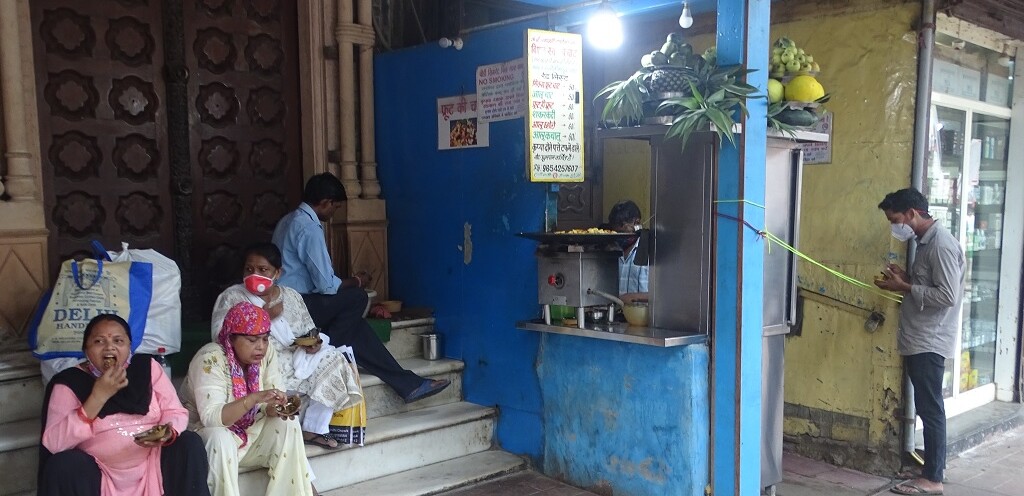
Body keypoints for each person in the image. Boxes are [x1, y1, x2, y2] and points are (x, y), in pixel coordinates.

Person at [272, 172, 449, 403]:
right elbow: (327, 286)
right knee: (356, 297)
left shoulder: (287, 220)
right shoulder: (308, 228)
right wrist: (356, 281)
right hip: (298, 306)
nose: (333, 213)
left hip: (292, 302)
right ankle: (327, 347)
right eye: (334, 208)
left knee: (357, 329)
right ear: (325, 202)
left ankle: (409, 385)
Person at [211, 242, 365, 449]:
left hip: (296, 356)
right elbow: (220, 337)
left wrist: (314, 343)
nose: (254, 274)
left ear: (277, 272)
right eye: (249, 269)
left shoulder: (291, 296)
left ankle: (313, 427)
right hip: (260, 361)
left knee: (335, 358)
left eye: (262, 270)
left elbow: (310, 330)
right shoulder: (231, 297)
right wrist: (265, 316)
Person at [38, 314, 209, 496]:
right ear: (86, 349)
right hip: (99, 474)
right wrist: (97, 397)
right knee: (63, 465)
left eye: (118, 341)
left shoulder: (146, 368)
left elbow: (175, 411)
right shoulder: (68, 382)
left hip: (152, 466)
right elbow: (54, 444)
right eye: (99, 341)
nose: (109, 347)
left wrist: (168, 431)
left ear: (129, 347)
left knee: (189, 443)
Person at [874, 188, 964, 496]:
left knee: (930, 408)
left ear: (912, 213)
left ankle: (933, 480)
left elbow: (948, 296)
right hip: (918, 337)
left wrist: (907, 287)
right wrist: (902, 281)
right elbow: (926, 286)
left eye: (895, 219)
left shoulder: (940, 245)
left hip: (930, 340)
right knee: (927, 407)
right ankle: (930, 468)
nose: (894, 226)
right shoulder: (924, 244)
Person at [181, 302, 315, 496]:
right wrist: (252, 399)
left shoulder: (266, 354)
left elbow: (270, 399)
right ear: (232, 338)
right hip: (207, 440)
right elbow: (211, 418)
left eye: (265, 339)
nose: (260, 347)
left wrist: (277, 408)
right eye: (252, 340)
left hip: (249, 435)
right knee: (220, 437)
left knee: (288, 425)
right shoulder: (210, 358)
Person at [608, 200, 649, 304]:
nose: (619, 236)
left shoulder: (650, 250)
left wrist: (631, 297)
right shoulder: (612, 251)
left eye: (622, 232)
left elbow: (662, 294)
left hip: (642, 317)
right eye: (616, 233)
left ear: (637, 223)